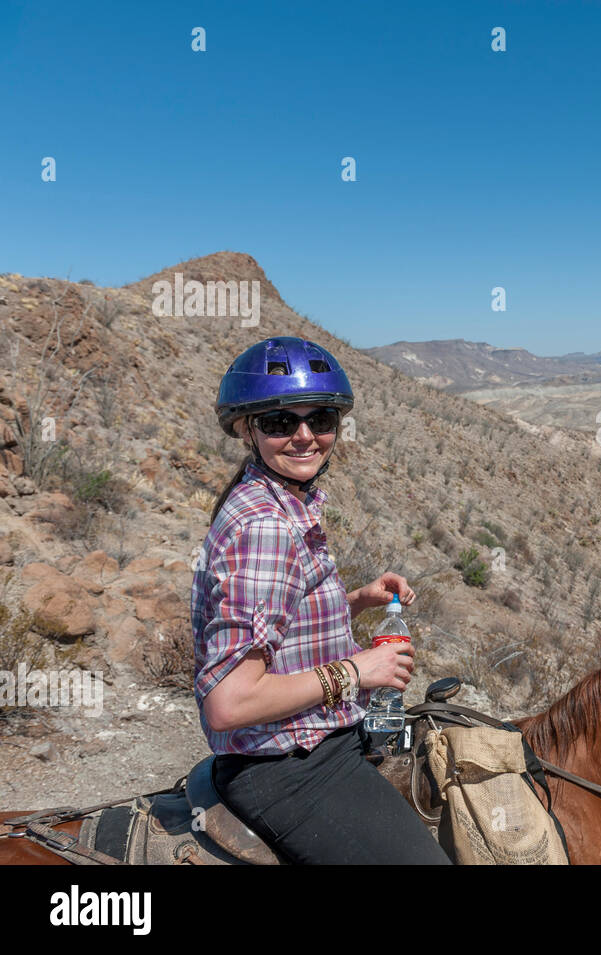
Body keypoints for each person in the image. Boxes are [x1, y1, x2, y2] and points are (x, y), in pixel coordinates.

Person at [190, 335, 452, 864]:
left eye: (322, 419)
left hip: (320, 743)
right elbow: (229, 703)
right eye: (281, 422)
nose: (305, 436)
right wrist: (359, 670)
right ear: (247, 428)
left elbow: (279, 619)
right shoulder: (266, 526)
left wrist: (354, 599)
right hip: (291, 767)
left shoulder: (281, 499)